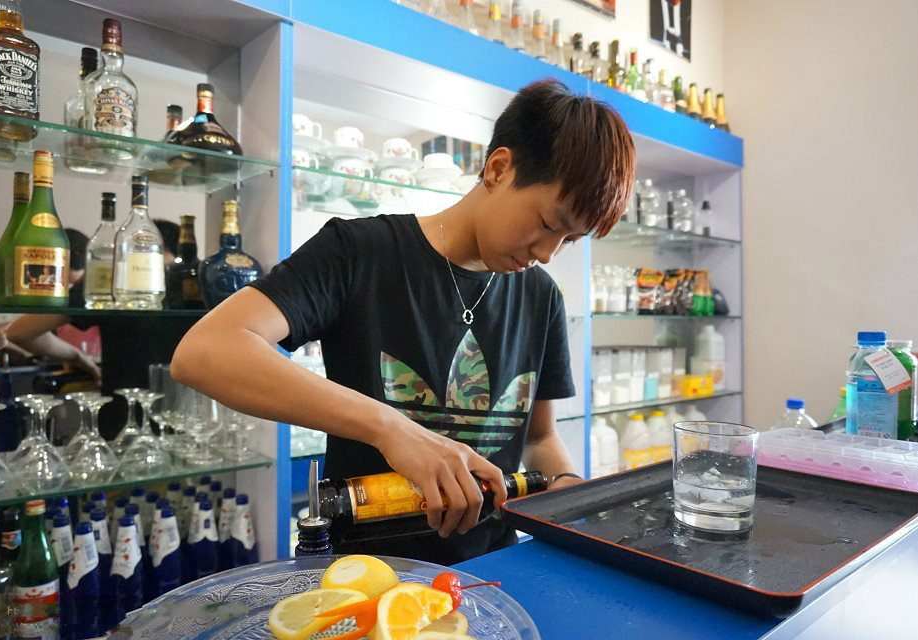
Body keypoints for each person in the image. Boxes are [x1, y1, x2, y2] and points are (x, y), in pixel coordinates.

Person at [171, 79, 636, 563]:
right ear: (499, 169)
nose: (547, 253)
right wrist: (391, 429)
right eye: (548, 224)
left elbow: (539, 438)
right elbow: (204, 352)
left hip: (493, 566)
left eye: (569, 241)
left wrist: (565, 483)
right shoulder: (359, 252)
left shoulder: (542, 296)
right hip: (366, 570)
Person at [5, 221, 195, 439]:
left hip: (120, 426)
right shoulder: (193, 285)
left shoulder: (111, 282)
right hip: (186, 423)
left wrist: (76, 356)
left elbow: (20, 332)